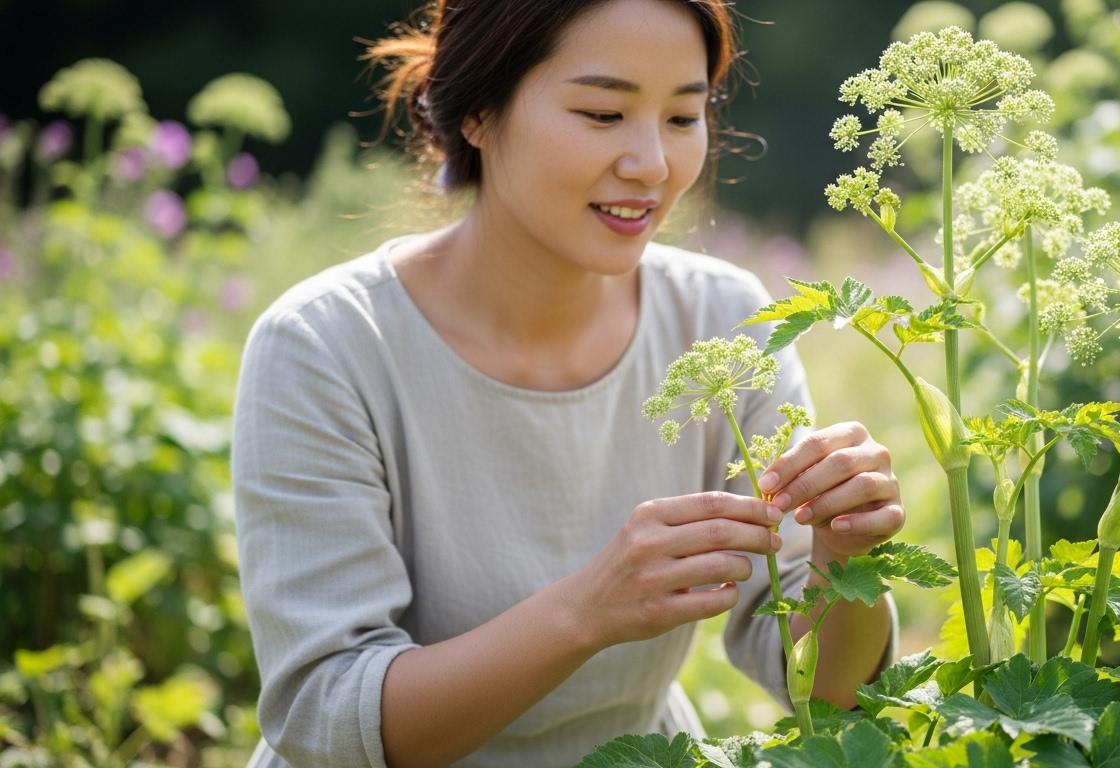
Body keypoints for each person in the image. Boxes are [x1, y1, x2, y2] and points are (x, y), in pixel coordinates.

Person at [232, 1, 906, 766]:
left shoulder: (726, 319)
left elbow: (826, 692)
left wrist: (843, 556)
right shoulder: (326, 345)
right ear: (479, 114)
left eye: (683, 117)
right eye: (603, 112)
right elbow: (325, 717)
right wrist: (589, 610)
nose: (651, 163)